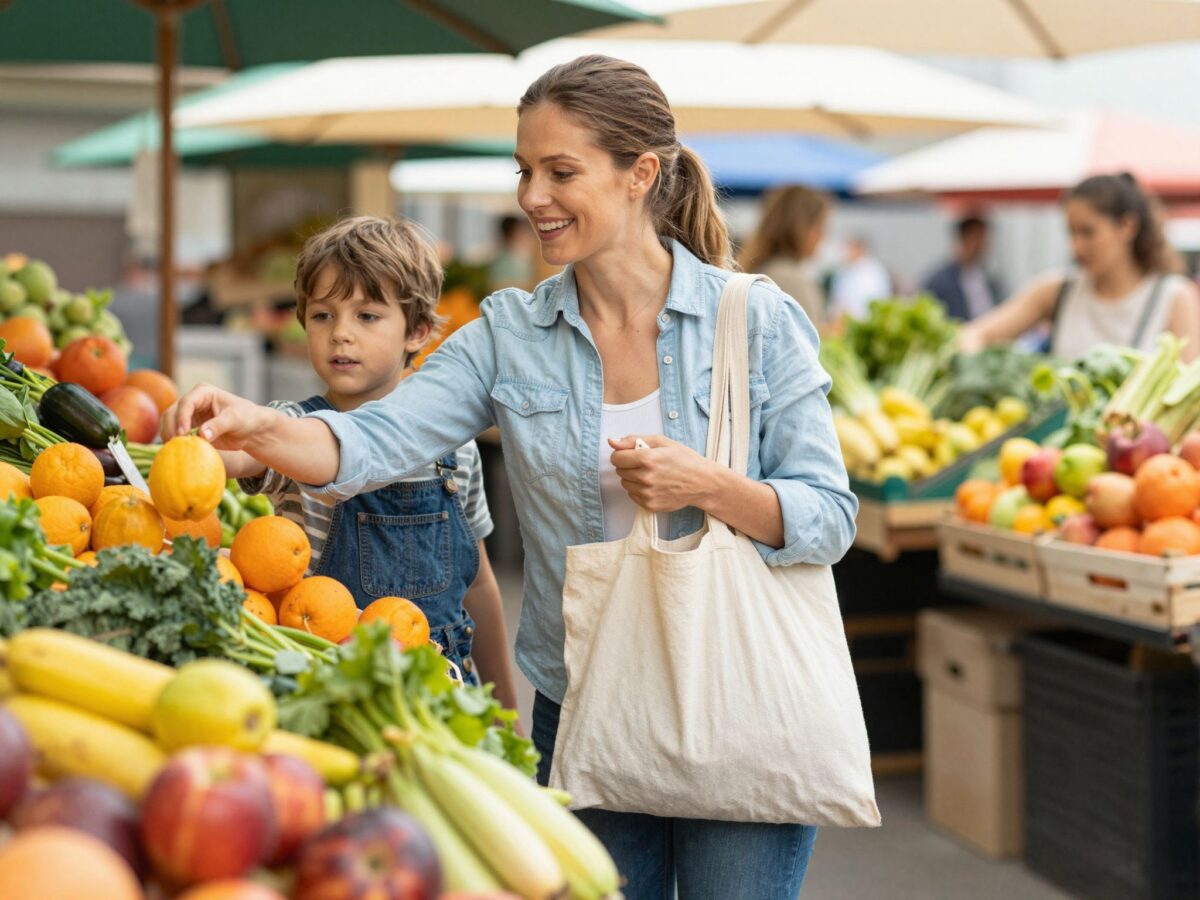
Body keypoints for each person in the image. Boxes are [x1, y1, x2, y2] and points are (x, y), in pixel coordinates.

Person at [165, 55, 855, 899]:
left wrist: (706, 485)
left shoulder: (755, 320)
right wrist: (259, 426)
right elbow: (375, 439)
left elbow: (829, 515)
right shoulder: (508, 334)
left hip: (741, 695)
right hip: (587, 701)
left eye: (561, 172)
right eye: (524, 171)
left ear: (640, 174)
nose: (533, 196)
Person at [205, 216, 519, 709]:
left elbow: (478, 582)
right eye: (322, 316)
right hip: (328, 695)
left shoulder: (455, 449)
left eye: (367, 316)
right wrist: (204, 435)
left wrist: (505, 707)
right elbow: (242, 450)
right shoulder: (293, 430)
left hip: (443, 696)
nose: (340, 335)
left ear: (417, 331)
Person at [961, 174, 1200, 360]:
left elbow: (1190, 390)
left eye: (1088, 232)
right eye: (1071, 233)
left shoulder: (1174, 297)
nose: (1076, 246)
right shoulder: (1056, 290)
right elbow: (975, 335)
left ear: (1127, 226)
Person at [739, 185, 831, 328]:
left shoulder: (761, 268)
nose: (822, 237)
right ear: (802, 228)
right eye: (820, 227)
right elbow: (810, 337)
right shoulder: (791, 278)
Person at [923, 216, 1002, 321]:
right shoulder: (939, 283)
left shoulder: (991, 281)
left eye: (984, 239)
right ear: (963, 239)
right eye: (977, 238)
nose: (982, 245)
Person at [829, 235, 891, 322]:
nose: (845, 252)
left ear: (859, 249)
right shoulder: (842, 272)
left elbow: (874, 301)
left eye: (849, 247)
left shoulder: (873, 272)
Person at [487, 213, 536, 293]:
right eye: (522, 233)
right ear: (511, 235)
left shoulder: (524, 259)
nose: (528, 237)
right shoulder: (504, 262)